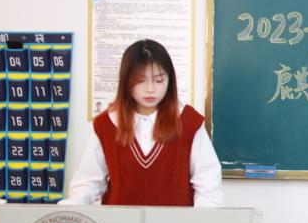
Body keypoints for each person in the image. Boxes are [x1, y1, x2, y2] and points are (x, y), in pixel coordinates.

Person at [60, 39, 222, 207]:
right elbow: (88, 183)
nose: (150, 89)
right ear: (126, 81)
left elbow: (208, 185)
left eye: (159, 80)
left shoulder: (189, 122)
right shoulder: (106, 124)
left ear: (170, 81)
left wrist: (202, 219)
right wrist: (71, 207)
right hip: (119, 222)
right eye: (140, 80)